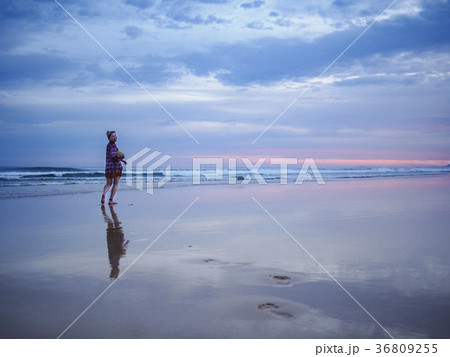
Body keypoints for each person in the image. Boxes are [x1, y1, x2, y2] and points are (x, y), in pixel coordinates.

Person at [102, 131, 127, 205]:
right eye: (113, 136)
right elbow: (113, 156)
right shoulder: (113, 146)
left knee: (108, 183)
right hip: (116, 168)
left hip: (109, 168)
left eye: (115, 136)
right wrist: (121, 156)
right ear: (109, 138)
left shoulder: (109, 146)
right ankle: (111, 200)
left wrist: (122, 160)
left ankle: (104, 193)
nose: (115, 137)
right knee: (115, 184)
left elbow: (114, 155)